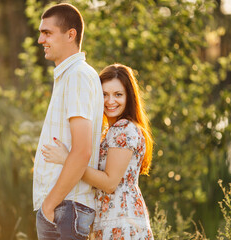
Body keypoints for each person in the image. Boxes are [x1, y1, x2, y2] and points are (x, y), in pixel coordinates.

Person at [42, 64, 154, 239]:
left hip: (122, 223)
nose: (110, 101)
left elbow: (110, 183)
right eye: (104, 95)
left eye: (118, 94)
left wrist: (69, 160)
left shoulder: (123, 129)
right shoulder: (109, 131)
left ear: (129, 97)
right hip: (113, 220)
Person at [33, 3, 104, 240]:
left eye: (47, 33)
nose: (40, 40)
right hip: (63, 209)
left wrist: (48, 207)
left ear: (70, 34)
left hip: (66, 210)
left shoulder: (77, 76)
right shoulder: (69, 76)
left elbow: (82, 150)